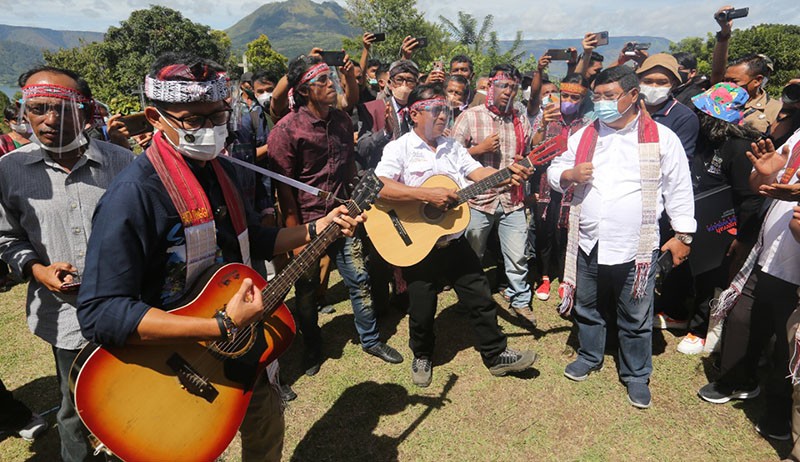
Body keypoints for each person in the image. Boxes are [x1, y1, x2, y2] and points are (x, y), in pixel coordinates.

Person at [75, 51, 365, 461]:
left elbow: (249, 239)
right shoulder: (133, 196)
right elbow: (102, 312)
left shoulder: (218, 169)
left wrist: (317, 228)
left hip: (244, 350)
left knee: (265, 440)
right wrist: (221, 324)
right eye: (193, 120)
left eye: (218, 116)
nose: (210, 129)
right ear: (155, 118)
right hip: (173, 366)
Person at [0, 65, 134, 461]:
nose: (50, 119)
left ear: (87, 112)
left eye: (64, 108)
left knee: (134, 394)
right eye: (38, 107)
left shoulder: (123, 163)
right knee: (74, 406)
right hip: (65, 317)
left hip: (128, 310)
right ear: (25, 111)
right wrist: (37, 270)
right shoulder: (8, 172)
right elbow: (6, 237)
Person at [548, 66, 696, 409]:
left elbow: (679, 189)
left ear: (632, 96)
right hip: (589, 239)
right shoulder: (585, 134)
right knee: (587, 306)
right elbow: (557, 169)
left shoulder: (660, 137)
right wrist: (569, 173)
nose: (601, 103)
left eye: (609, 96)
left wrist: (683, 236)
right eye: (597, 96)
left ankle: (636, 375)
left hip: (636, 245)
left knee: (635, 314)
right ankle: (589, 356)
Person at [373, 83, 537, 387]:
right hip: (416, 245)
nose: (443, 117)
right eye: (437, 110)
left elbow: (478, 174)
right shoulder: (399, 148)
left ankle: (496, 353)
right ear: (415, 114)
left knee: (480, 296)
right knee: (421, 309)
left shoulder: (453, 147)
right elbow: (380, 186)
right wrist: (425, 195)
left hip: (453, 240)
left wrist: (508, 173)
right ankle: (422, 354)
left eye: (446, 111)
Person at [269, 54, 403, 376]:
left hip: (345, 217)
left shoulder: (342, 122)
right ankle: (312, 348)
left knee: (359, 278)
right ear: (303, 91)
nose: (331, 85)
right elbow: (284, 190)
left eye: (331, 79)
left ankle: (370, 340)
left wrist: (356, 205)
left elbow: (347, 169)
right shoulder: (286, 131)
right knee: (306, 290)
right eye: (322, 82)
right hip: (307, 225)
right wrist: (297, 235)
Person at [697, 129, 800, 442]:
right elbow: (763, 185)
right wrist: (763, 174)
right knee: (742, 318)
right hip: (770, 253)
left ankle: (780, 413)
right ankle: (736, 380)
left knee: (788, 345)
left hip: (796, 270)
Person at [674, 83, 764, 355]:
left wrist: (741, 238)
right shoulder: (706, 140)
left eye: (702, 112)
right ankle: (682, 315)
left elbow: (750, 198)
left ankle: (702, 329)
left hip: (724, 227)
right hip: (697, 218)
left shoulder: (741, 148)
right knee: (692, 271)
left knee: (711, 276)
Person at [452, 64, 536, 326]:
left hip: (512, 200)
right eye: (503, 85)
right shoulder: (469, 116)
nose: (508, 91)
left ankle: (520, 300)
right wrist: (479, 149)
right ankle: (469, 301)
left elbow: (529, 156)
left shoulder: (519, 119)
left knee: (517, 255)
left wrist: (527, 168)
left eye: (513, 87)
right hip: (479, 200)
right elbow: (450, 158)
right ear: (490, 86)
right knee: (471, 256)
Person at [530, 74, 594, 302]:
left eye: (574, 97)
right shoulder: (547, 118)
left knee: (566, 232)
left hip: (573, 186)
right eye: (564, 95)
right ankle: (545, 276)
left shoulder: (588, 125)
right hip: (546, 185)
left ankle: (566, 276)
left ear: (583, 99)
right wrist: (544, 124)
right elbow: (533, 145)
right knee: (544, 230)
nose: (568, 100)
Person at [710, 6, 781, 135]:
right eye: (726, 80)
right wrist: (724, 32)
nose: (728, 86)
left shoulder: (775, 110)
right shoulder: (720, 97)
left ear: (757, 81)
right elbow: (716, 72)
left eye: (734, 81)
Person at [636, 53, 699, 161]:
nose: (654, 87)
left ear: (673, 85)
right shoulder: (627, 110)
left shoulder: (684, 118)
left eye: (662, 83)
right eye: (647, 81)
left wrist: (650, 128)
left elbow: (678, 162)